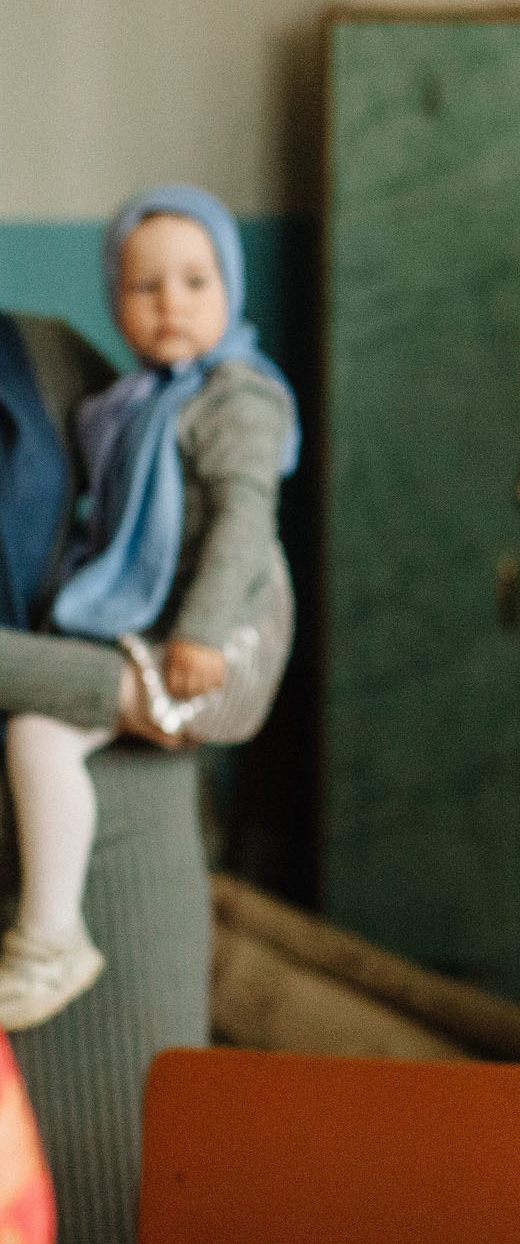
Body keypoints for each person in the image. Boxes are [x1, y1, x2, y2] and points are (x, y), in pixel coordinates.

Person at [0, 190, 296, 1030]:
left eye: (195, 282)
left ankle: (50, 936)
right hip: (160, 633)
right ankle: (52, 936)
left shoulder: (238, 397)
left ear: (229, 288)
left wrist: (203, 632)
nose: (171, 304)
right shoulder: (132, 402)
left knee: (36, 704)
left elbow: (244, 525)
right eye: (145, 288)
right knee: (39, 732)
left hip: (227, 634)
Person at [2, 305, 200, 1244]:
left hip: (122, 890)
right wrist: (124, 687)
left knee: (128, 1199)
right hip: (94, 747)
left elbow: (245, 644)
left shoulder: (48, 357)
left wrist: (171, 686)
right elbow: (157, 690)